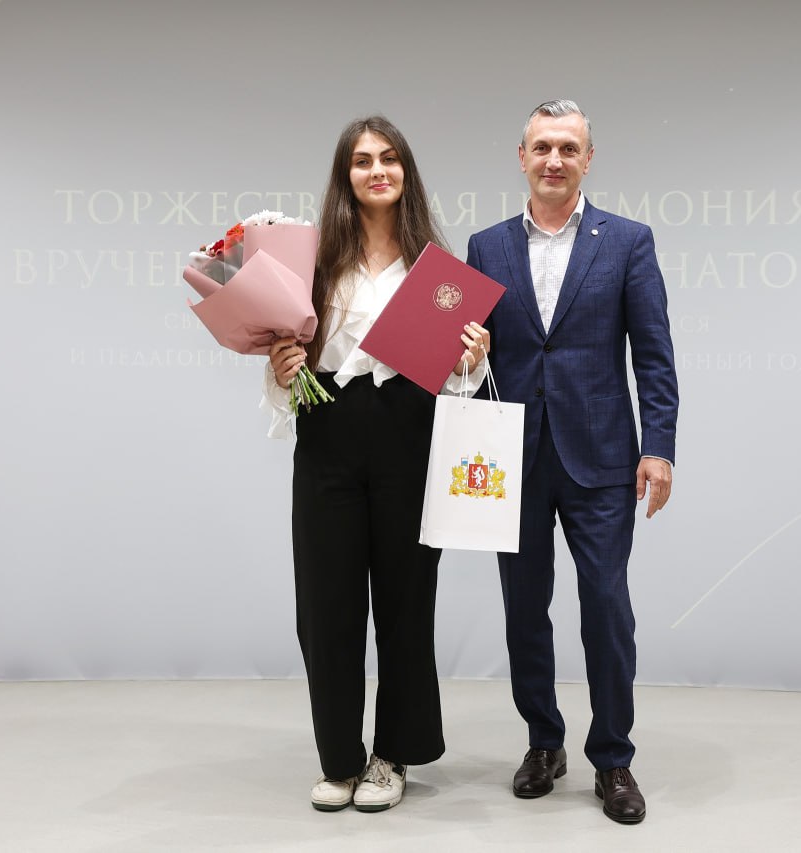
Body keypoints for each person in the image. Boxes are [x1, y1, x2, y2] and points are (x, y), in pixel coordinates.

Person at [265, 115, 490, 813]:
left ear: (405, 172)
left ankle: (392, 756)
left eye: (389, 159)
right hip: (328, 434)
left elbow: (453, 380)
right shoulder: (311, 263)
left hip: (408, 436)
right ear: (346, 175)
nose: (377, 171)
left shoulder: (435, 269)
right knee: (325, 606)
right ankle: (339, 759)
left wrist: (470, 360)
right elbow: (287, 373)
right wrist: (282, 368)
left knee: (405, 604)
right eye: (363, 161)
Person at [465, 100, 679, 825]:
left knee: (606, 608)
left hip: (603, 458)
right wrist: (468, 359)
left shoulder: (628, 241)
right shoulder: (485, 246)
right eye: (541, 147)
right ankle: (544, 741)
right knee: (524, 611)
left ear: (588, 159)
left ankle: (612, 756)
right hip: (512, 459)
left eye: (567, 147)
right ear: (521, 156)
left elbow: (654, 355)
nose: (553, 159)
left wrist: (658, 447)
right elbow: (467, 363)